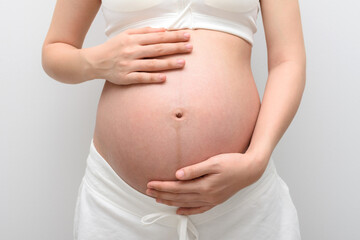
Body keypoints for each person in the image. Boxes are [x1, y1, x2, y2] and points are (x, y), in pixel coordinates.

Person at [42, 0, 306, 239]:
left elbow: (287, 60)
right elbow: (55, 50)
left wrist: (256, 160)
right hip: (121, 205)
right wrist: (97, 61)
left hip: (240, 201)